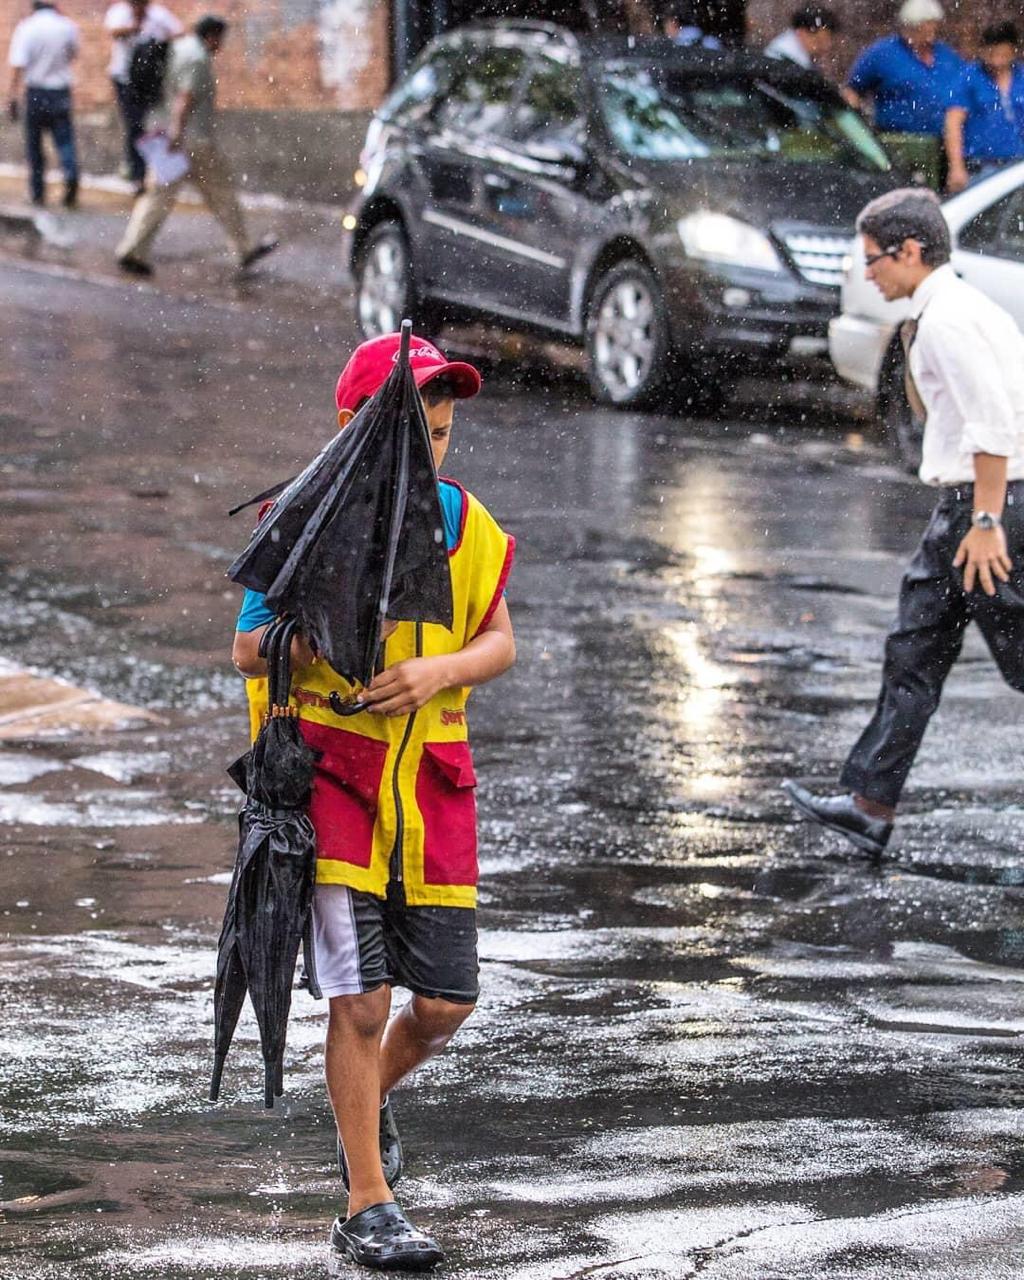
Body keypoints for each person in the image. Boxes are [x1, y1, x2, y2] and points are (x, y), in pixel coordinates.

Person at [231, 333, 516, 1271]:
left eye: (441, 434)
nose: (431, 452)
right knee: (361, 1002)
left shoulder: (466, 523)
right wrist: (336, 631)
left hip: (434, 800)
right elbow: (249, 648)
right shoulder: (300, 517)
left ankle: (365, 1107)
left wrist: (435, 667)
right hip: (333, 792)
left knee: (444, 1005)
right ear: (353, 428)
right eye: (412, 432)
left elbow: (498, 642)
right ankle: (366, 1202)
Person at [784, 189, 1024, 860]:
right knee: (914, 649)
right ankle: (869, 804)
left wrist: (985, 518)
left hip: (989, 508)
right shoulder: (951, 307)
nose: (868, 274)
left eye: (874, 260)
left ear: (910, 252)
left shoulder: (949, 319)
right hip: (968, 506)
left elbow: (994, 424)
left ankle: (869, 802)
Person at [115, 14, 277, 277]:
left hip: (165, 133)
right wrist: (177, 136)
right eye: (220, 40)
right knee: (221, 194)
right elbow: (184, 98)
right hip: (190, 141)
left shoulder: (178, 48)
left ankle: (132, 250)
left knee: (157, 196)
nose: (220, 46)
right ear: (212, 36)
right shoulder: (197, 58)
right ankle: (243, 248)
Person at [845, 0, 964, 188]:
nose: (930, 32)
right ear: (910, 26)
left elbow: (961, 96)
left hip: (941, 147)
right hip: (899, 144)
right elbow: (852, 92)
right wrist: (858, 128)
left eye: (933, 25)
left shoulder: (946, 56)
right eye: (925, 27)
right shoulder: (882, 54)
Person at [104, 0, 184, 195]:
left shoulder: (158, 15)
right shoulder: (120, 13)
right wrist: (135, 28)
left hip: (150, 81)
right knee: (135, 126)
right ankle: (137, 174)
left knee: (152, 125)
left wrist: (158, 42)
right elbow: (114, 32)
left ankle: (156, 171)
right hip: (125, 79)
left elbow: (178, 32)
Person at [6, 0, 79, 208]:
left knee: (34, 145)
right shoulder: (67, 26)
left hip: (36, 91)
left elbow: (18, 64)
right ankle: (71, 176)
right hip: (60, 90)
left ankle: (38, 192)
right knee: (65, 141)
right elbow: (73, 53)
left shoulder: (27, 28)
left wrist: (11, 96)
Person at [945, 22, 1024, 194]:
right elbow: (953, 123)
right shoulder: (969, 78)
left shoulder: (1021, 77)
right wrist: (956, 167)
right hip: (982, 166)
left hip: (1018, 167)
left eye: (1003, 55)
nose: (997, 61)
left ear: (1014, 51)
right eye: (992, 54)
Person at [765, 6, 840, 71]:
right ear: (801, 32)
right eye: (819, 41)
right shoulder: (785, 58)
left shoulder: (797, 56)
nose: (826, 46)